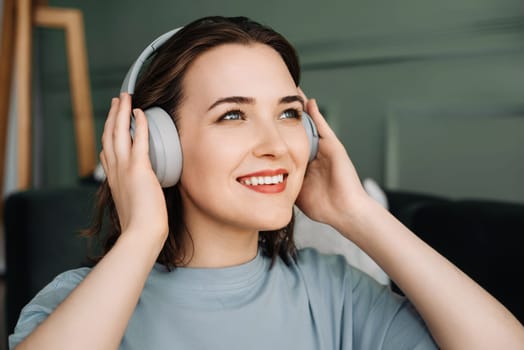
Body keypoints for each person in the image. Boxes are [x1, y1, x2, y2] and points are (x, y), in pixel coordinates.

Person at [9, 16, 524, 350]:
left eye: (287, 113)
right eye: (233, 116)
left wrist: (359, 216)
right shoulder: (78, 302)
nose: (276, 144)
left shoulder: (334, 290)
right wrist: (143, 234)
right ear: (157, 145)